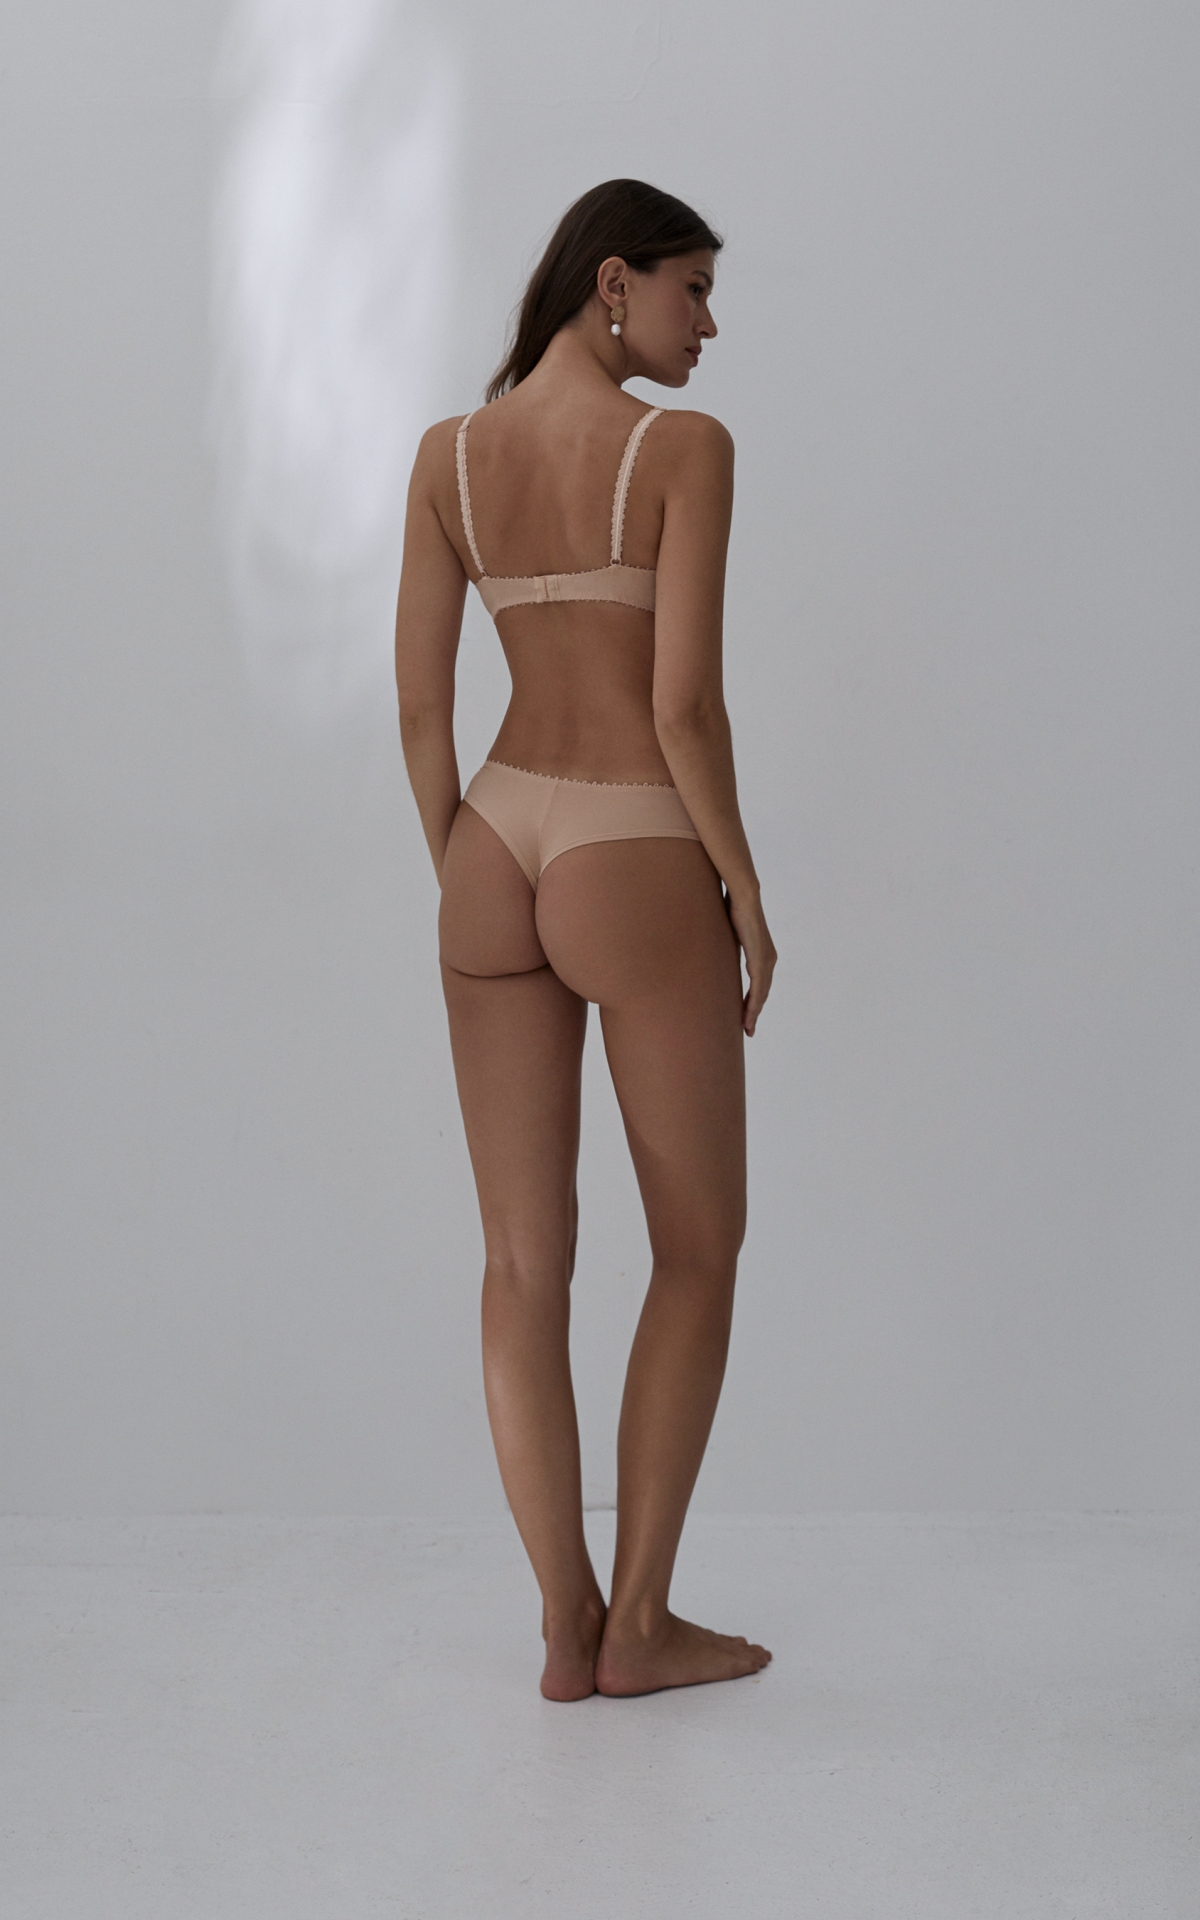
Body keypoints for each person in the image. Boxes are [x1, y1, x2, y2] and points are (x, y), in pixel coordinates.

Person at [395, 179, 776, 1700]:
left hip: (491, 840)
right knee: (698, 1248)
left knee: (517, 1264)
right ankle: (640, 1627)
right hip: (632, 846)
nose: (710, 324)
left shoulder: (450, 457)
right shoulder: (683, 451)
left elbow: (421, 706)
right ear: (613, 282)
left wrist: (461, 869)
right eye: (696, 289)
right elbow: (683, 708)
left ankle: (563, 1621)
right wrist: (745, 888)